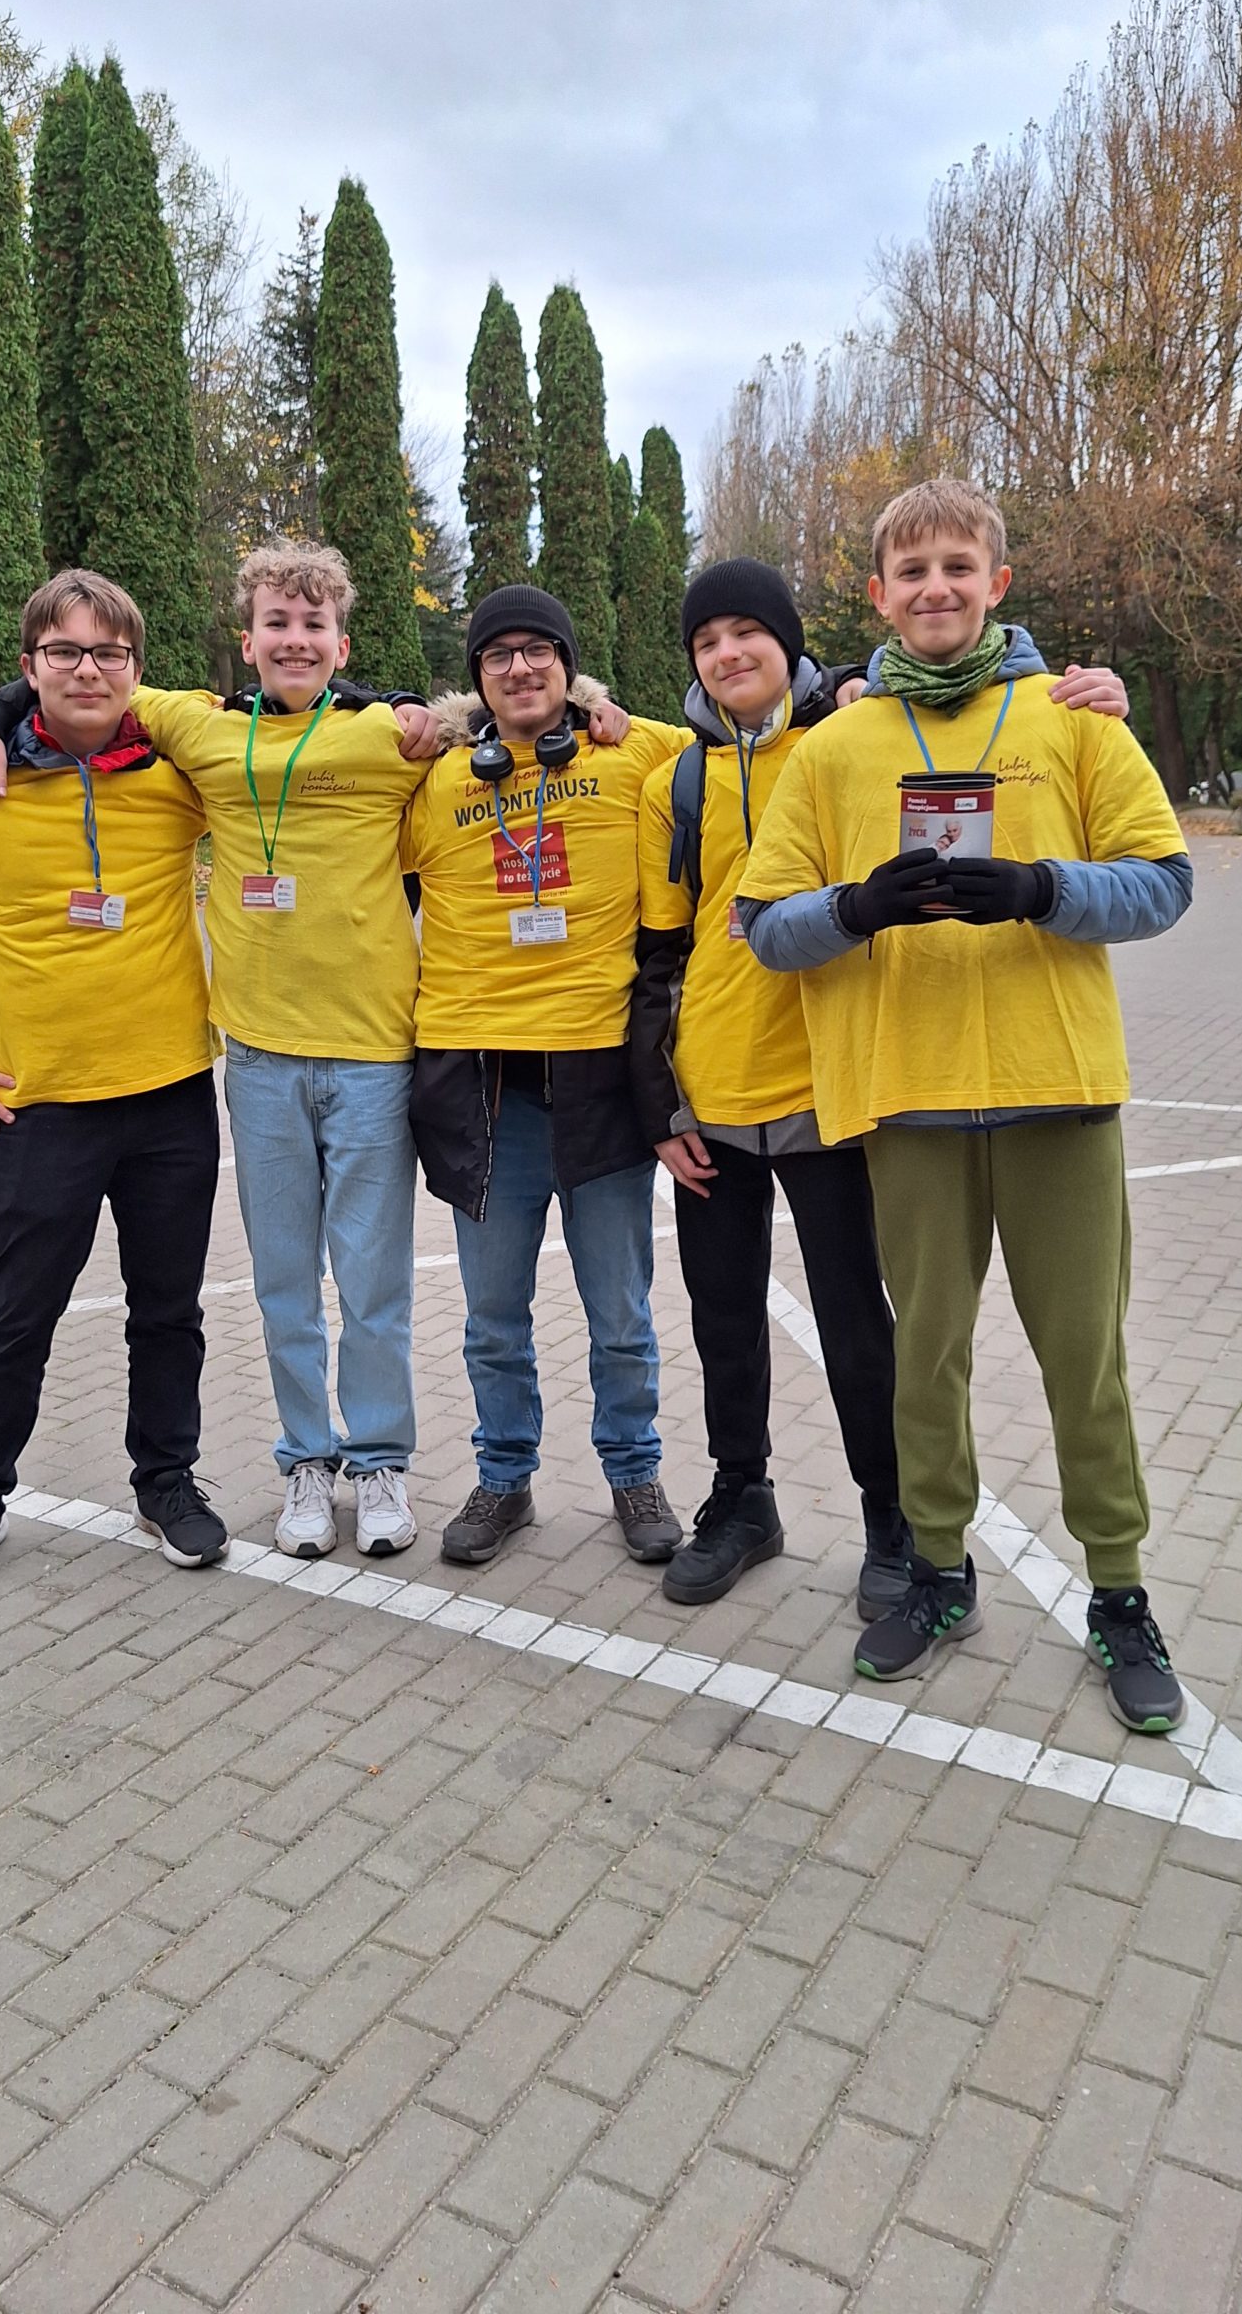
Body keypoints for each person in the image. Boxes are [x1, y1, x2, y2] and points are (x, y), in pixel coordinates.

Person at [739, 478, 1193, 1732]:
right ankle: (938, 1572)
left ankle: (1117, 1591)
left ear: (996, 581)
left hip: (1060, 1097)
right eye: (910, 571)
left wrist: (1047, 888)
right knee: (922, 1362)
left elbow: (1162, 883)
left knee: (1084, 1366)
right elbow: (760, 926)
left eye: (957, 566)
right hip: (912, 1102)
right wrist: (854, 911)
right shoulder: (833, 747)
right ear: (875, 594)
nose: (933, 587)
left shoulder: (1073, 719)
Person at [631, 557, 1133, 1611]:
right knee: (723, 1317)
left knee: (863, 1323)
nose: (728, 654)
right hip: (711, 1094)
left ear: (790, 643)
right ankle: (742, 1499)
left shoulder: (853, 735)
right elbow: (655, 954)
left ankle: (890, 1519)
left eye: (747, 633)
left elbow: (949, 683)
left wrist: (1070, 680)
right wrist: (656, 1101)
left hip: (837, 1088)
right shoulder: (665, 779)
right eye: (706, 640)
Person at [0, 544, 434, 1565]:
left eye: (313, 627)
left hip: (373, 1058)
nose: (293, 640)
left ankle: (380, 1460)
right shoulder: (195, 726)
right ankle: (307, 1461)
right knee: (281, 1282)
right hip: (256, 1059)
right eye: (275, 622)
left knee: (374, 1279)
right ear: (247, 639)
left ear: (340, 645)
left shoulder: (390, 739)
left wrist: (587, 705)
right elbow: (81, 681)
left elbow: (499, 722)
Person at [0, 571, 227, 1599]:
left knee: (169, 1310)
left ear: (137, 672)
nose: (87, 669)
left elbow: (299, 710)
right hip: (40, 1106)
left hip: (168, 1095)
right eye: (63, 652)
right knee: (17, 1314)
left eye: (108, 652)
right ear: (27, 668)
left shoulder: (179, 768)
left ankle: (167, 1482)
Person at [403, 585, 691, 1567]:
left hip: (602, 1086)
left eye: (540, 652)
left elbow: (756, 732)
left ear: (571, 670)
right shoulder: (434, 779)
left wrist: (846, 679)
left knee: (619, 1313)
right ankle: (503, 1478)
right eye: (499, 656)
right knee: (491, 1320)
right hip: (484, 1098)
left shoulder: (632, 752)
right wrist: (0, 717)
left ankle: (632, 1469)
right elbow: (298, 730)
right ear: (475, 679)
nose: (520, 669)